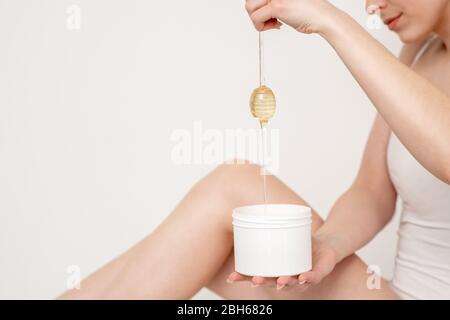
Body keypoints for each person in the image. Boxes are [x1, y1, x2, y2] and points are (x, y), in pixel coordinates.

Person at [59, 0, 450, 300]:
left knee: (233, 192)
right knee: (219, 238)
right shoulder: (418, 54)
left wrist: (330, 21)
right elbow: (372, 192)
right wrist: (325, 246)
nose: (371, 6)